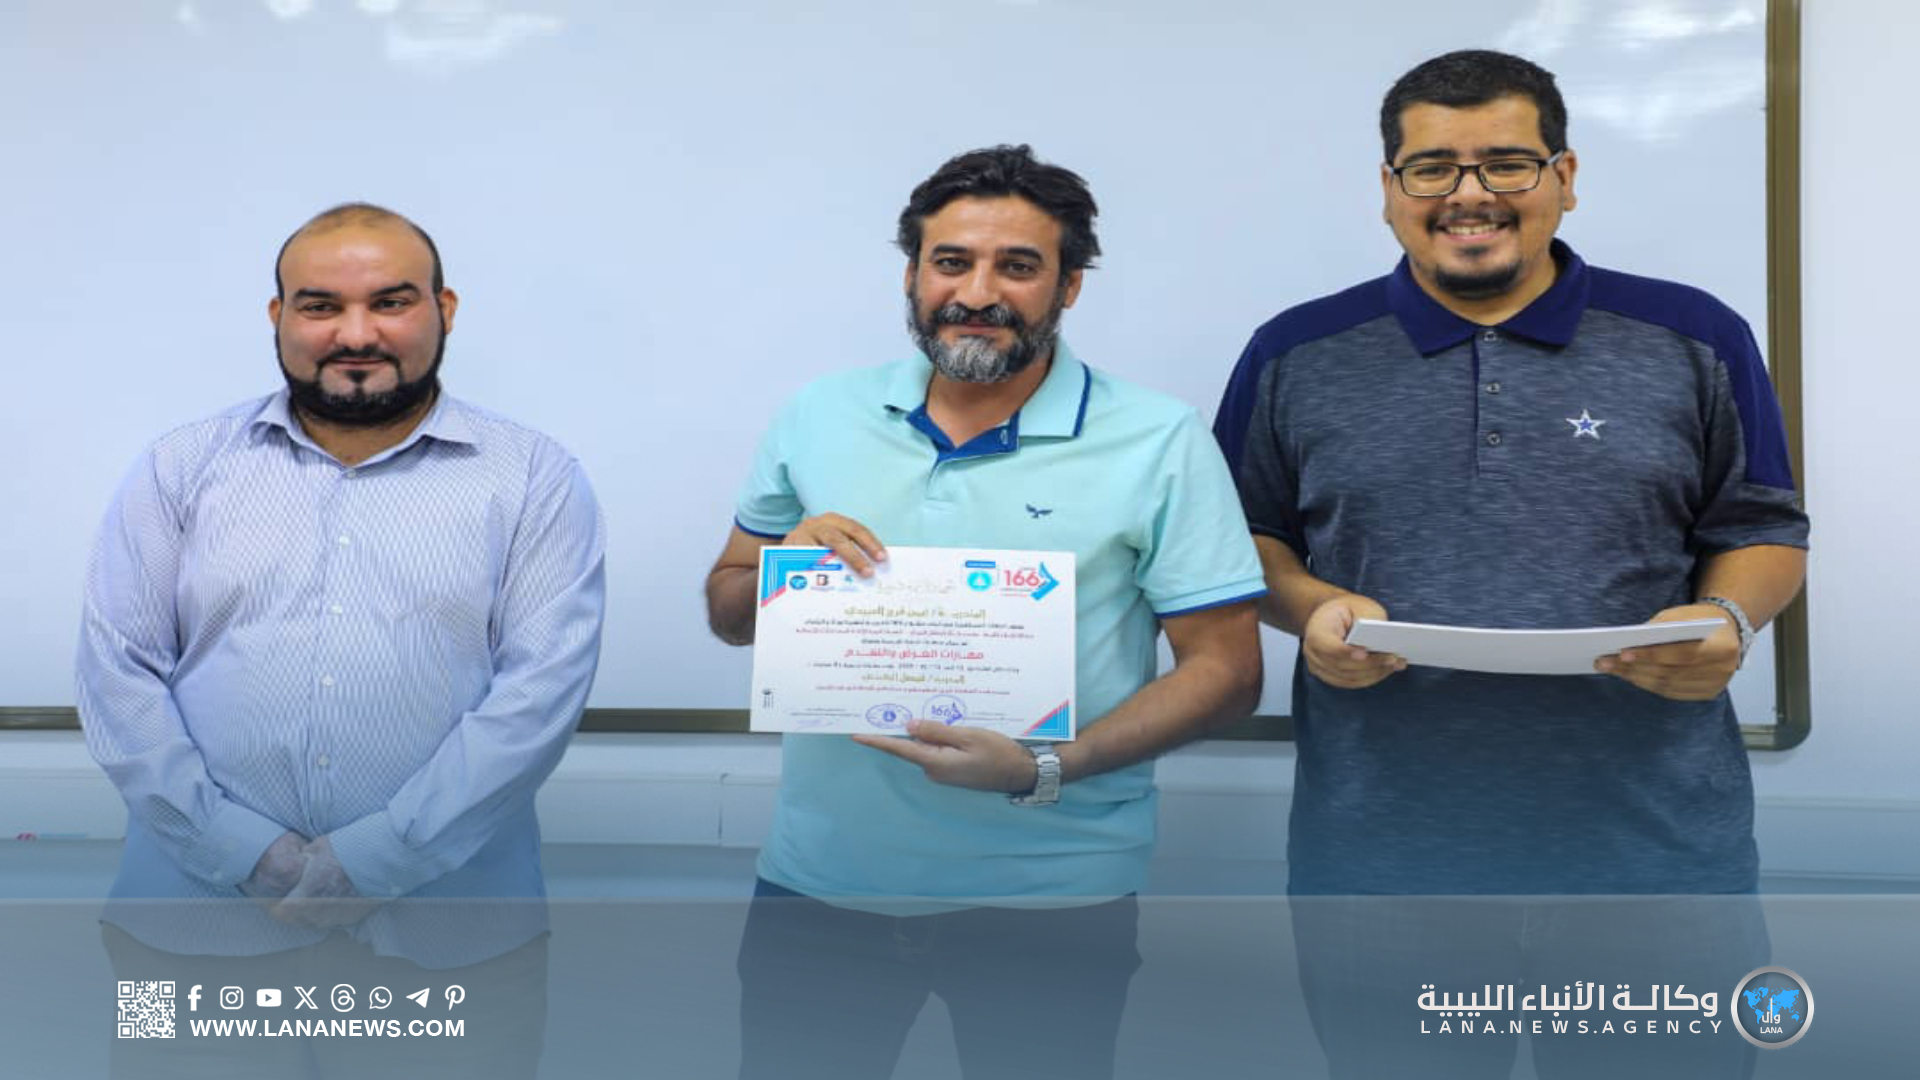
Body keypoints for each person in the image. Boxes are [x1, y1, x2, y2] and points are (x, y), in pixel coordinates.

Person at [1213, 50, 1809, 1078]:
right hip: (1383, 861)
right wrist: (1310, 607)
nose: (1470, 194)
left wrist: (1727, 622)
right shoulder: (1295, 352)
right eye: (1432, 168)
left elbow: (1762, 528)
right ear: (1390, 189)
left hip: (1654, 856)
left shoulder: (1694, 335)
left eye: (1506, 163)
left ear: (1564, 178)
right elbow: (1241, 540)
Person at [705, 144, 1265, 1080]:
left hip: (1052, 898)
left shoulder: (1158, 437)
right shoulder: (819, 414)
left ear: (1069, 286)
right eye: (952, 262)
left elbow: (1228, 672)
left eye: (1018, 266)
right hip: (822, 885)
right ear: (912, 275)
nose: (977, 292)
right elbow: (729, 608)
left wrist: (1045, 765)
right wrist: (777, 571)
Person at [77, 203, 606, 1078]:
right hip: (191, 929)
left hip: (455, 944)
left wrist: (377, 861)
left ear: (444, 308)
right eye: (320, 305)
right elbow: (117, 675)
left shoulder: (535, 476)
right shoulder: (178, 467)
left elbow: (540, 692)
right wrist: (238, 852)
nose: (356, 335)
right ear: (279, 316)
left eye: (391, 302)